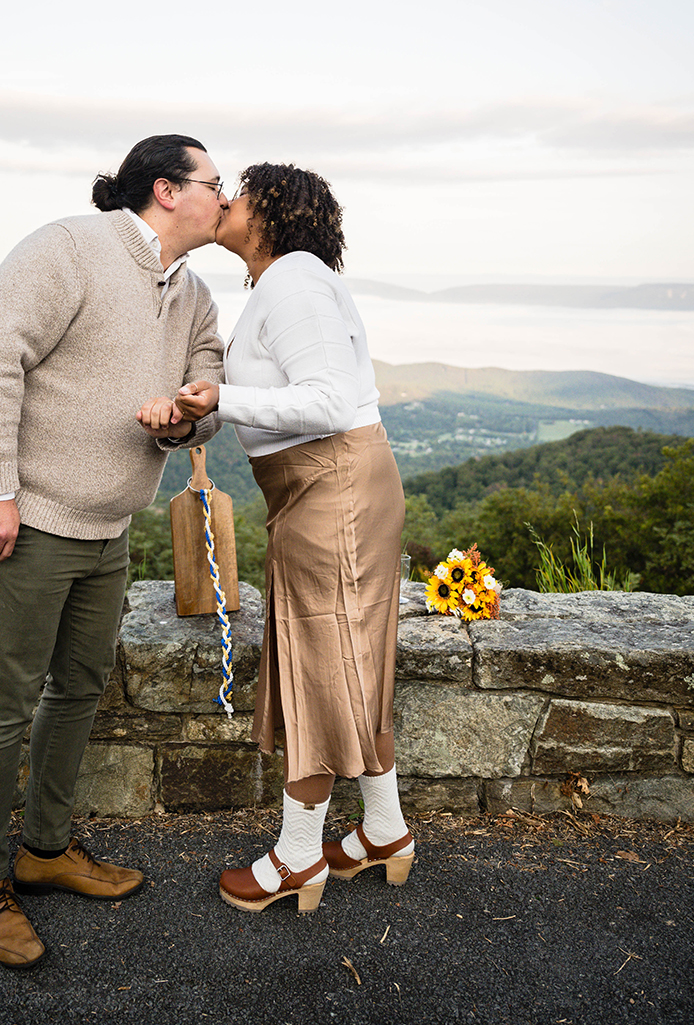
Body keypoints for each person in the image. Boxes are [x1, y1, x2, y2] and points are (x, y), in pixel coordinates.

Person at [0, 135, 227, 965]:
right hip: (27, 518)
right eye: (217, 182)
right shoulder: (69, 247)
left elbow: (207, 391)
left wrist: (183, 417)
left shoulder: (195, 293)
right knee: (5, 702)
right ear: (167, 190)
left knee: (77, 691)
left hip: (108, 527)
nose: (228, 196)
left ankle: (44, 849)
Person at [175, 162, 413, 914]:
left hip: (330, 487)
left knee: (319, 661)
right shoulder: (283, 282)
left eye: (238, 190)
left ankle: (299, 857)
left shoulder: (294, 279)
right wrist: (208, 414)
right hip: (326, 486)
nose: (225, 200)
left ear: (272, 209)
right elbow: (286, 398)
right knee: (347, 657)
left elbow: (327, 398)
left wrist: (221, 396)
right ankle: (384, 831)